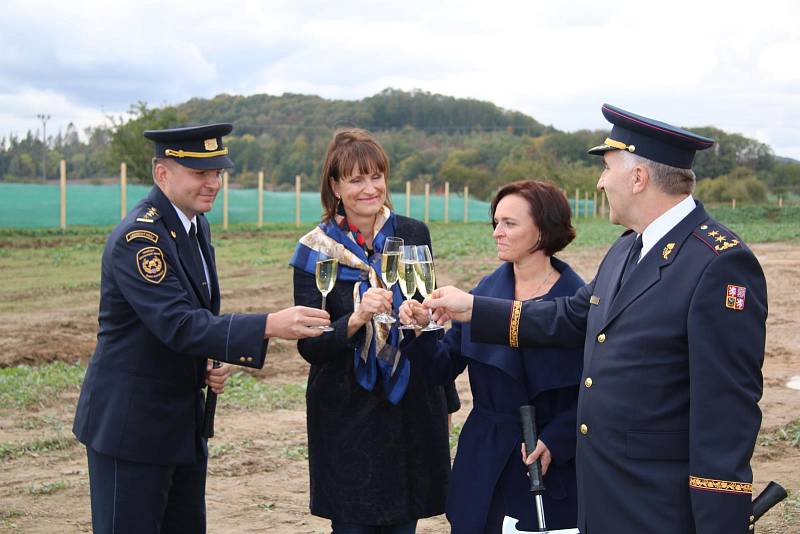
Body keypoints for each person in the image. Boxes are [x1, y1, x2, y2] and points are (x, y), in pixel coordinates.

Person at [425, 104, 768, 534]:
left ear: (638, 178)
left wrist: (721, 523)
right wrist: (474, 309)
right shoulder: (627, 249)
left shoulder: (717, 263)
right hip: (603, 491)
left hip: (658, 502)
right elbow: (571, 317)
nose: (601, 181)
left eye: (607, 168)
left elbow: (725, 412)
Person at [72, 123, 330, 534]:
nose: (212, 183)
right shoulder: (141, 239)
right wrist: (268, 325)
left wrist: (210, 359)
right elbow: (177, 323)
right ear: (163, 174)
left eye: (217, 173)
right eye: (199, 173)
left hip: (180, 425)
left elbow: (195, 315)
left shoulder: (194, 225)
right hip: (133, 428)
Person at [290, 128, 459, 534]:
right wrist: (355, 317)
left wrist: (423, 316)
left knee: (405, 519)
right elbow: (311, 347)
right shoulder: (314, 250)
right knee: (353, 522)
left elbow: (430, 318)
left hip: (411, 405)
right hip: (348, 410)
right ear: (335, 186)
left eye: (376, 176)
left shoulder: (412, 234)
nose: (370, 188)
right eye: (356, 179)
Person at [398, 180, 583, 533]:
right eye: (495, 222)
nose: (497, 232)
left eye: (509, 223)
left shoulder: (575, 302)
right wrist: (419, 332)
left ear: (544, 229)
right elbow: (441, 368)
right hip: (483, 460)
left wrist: (558, 440)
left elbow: (596, 388)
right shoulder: (485, 291)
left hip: (545, 462)